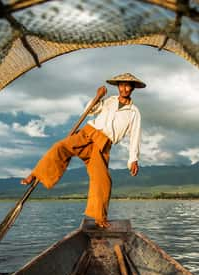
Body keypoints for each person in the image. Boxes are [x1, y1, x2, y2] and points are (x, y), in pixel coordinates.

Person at [21, 72, 145, 228]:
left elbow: (135, 135)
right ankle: (35, 174)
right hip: (88, 133)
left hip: (103, 145)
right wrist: (97, 96)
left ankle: (100, 218)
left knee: (103, 180)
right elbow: (90, 110)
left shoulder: (134, 112)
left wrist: (133, 159)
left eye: (128, 85)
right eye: (121, 85)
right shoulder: (109, 101)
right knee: (60, 147)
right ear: (118, 87)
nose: (124, 88)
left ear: (132, 88)